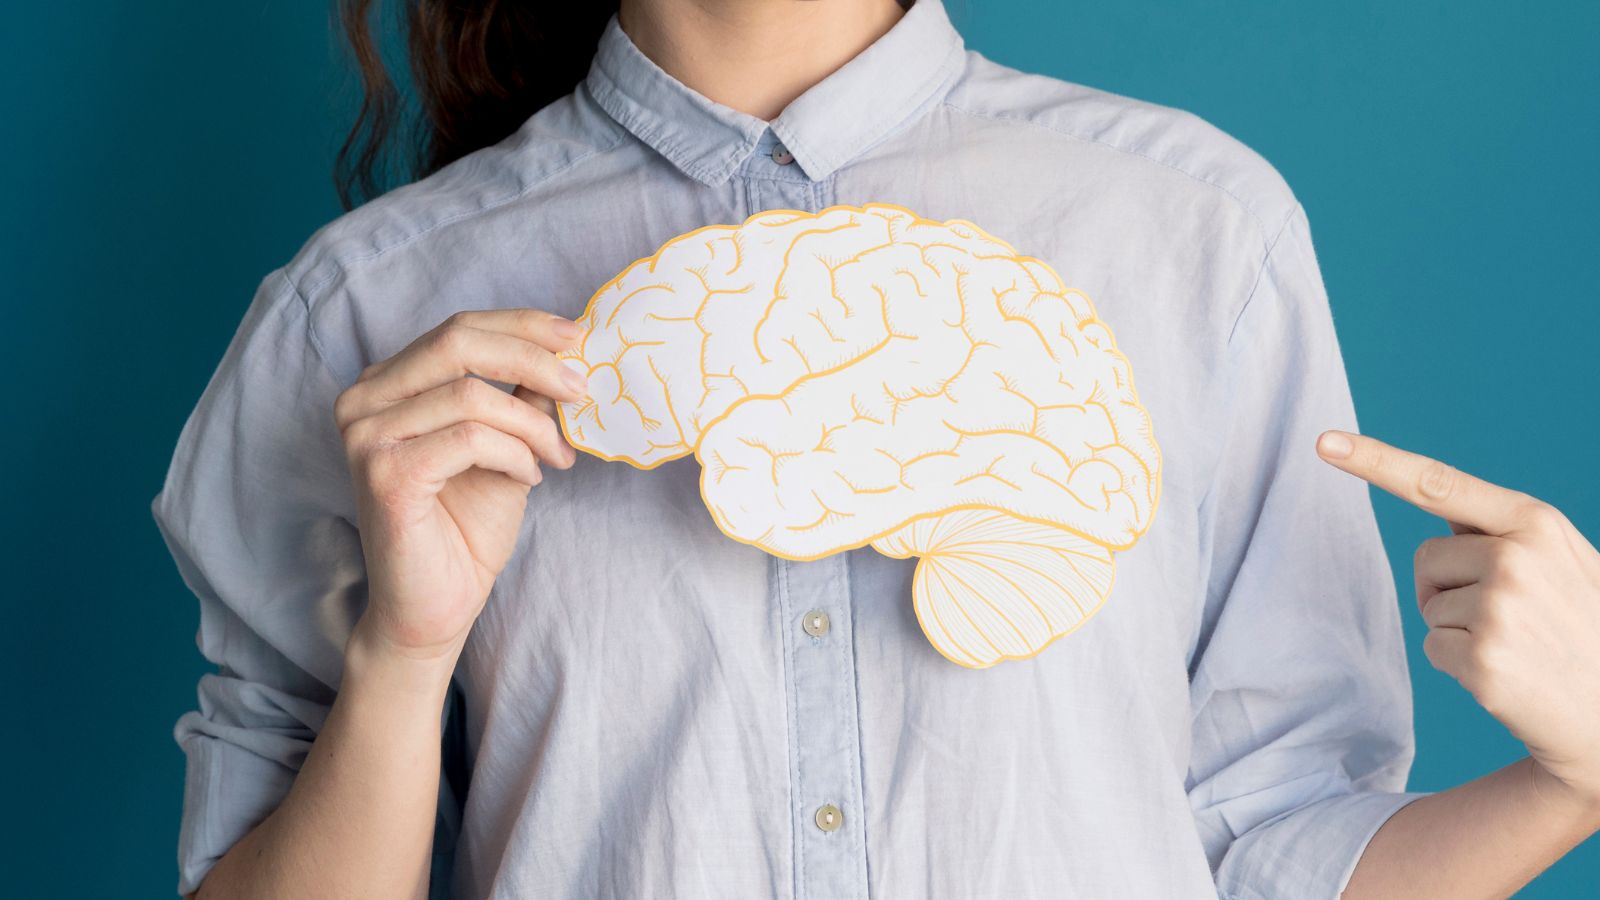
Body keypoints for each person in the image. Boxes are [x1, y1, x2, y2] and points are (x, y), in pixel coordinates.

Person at [153, 0, 1600, 897]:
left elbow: (1272, 856)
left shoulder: (1192, 235)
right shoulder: (372, 313)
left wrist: (1581, 776)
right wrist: (405, 659)